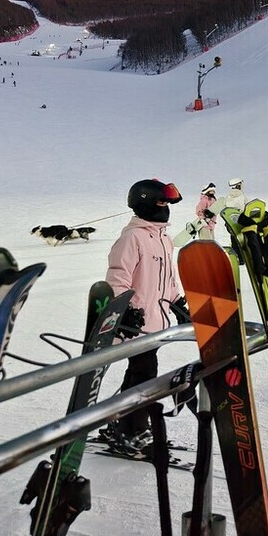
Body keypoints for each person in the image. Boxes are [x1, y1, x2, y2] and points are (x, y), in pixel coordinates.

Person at [99, 178, 184, 454]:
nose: (165, 208)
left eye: (167, 203)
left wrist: (178, 303)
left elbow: (168, 279)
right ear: (145, 203)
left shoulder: (164, 239)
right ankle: (131, 429)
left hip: (156, 323)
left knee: (139, 373)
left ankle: (119, 422)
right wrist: (125, 310)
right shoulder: (132, 238)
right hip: (136, 324)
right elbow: (118, 276)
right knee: (144, 374)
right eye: (161, 202)